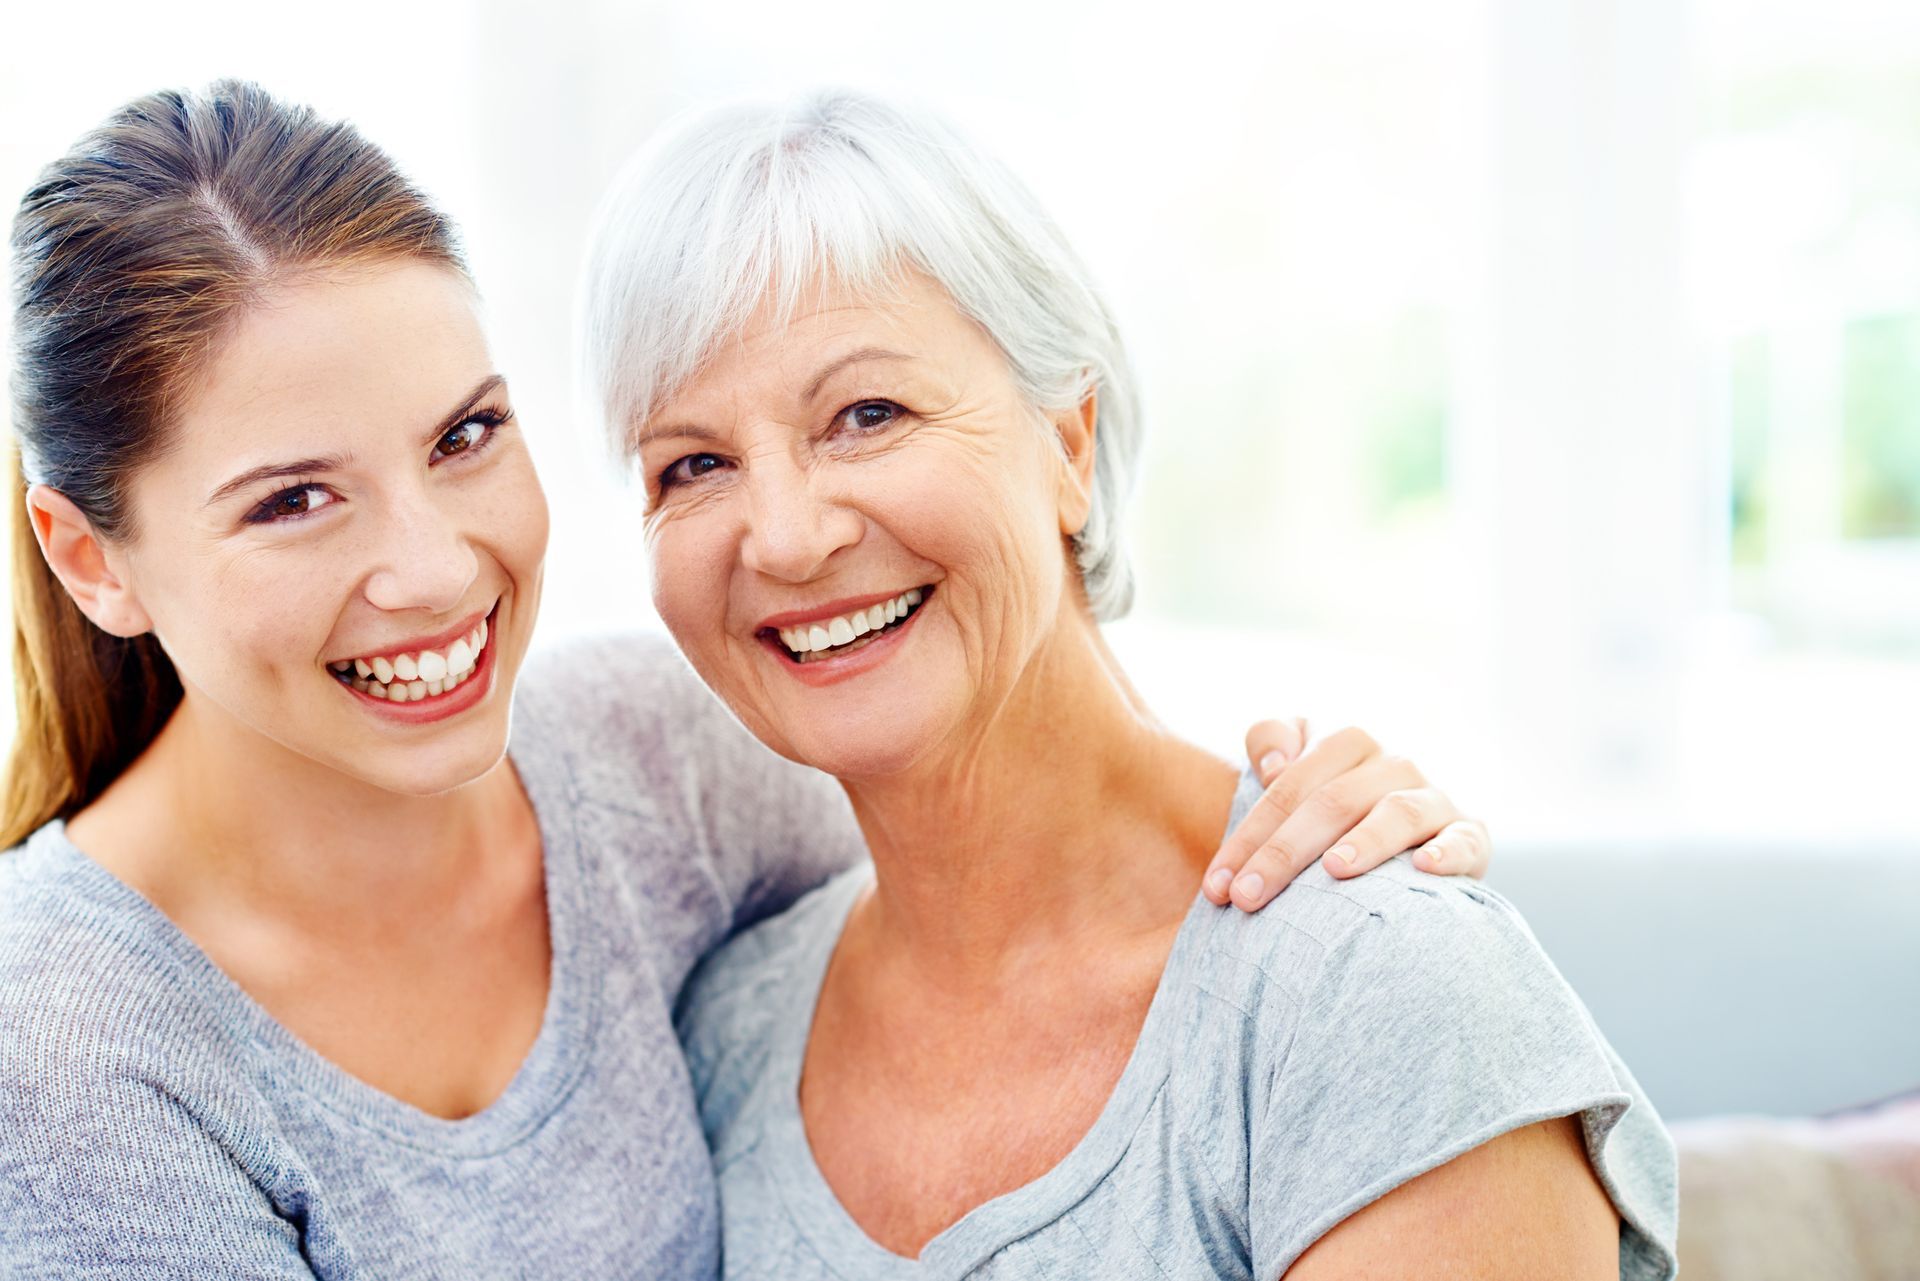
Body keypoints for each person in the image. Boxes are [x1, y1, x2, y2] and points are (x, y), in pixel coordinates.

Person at [0, 83, 1489, 1277]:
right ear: (90, 560)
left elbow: (1024, 851)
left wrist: (1312, 825)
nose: (439, 571)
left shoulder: (651, 759)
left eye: (464, 438)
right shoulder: (70, 1050)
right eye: (292, 500)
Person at [582, 91, 1680, 1278]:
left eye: (866, 414)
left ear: (1067, 442)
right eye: (691, 464)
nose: (785, 538)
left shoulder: (1377, 987)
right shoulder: (722, 1039)